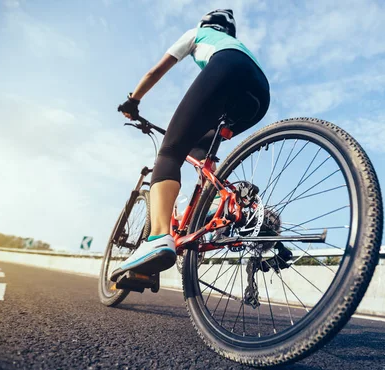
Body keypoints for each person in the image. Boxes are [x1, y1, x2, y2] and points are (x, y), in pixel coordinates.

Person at [112, 9, 270, 281]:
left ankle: (158, 237)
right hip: (258, 93)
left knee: (171, 151)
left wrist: (133, 101)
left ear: (206, 23)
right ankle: (218, 203)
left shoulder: (196, 34)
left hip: (228, 68)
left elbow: (155, 71)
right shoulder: (235, 43)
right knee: (201, 152)